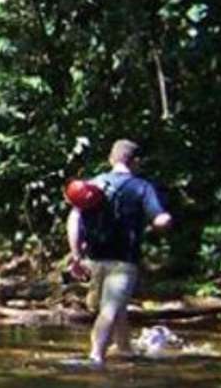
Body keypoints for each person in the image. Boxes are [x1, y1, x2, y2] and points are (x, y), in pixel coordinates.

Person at [67, 138, 173, 366]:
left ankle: (124, 348)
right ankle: (96, 357)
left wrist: (75, 256)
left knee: (115, 306)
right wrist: (163, 221)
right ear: (136, 161)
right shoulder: (142, 187)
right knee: (110, 310)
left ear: (110, 159)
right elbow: (160, 219)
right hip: (123, 261)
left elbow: (74, 218)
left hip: (94, 259)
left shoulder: (93, 184)